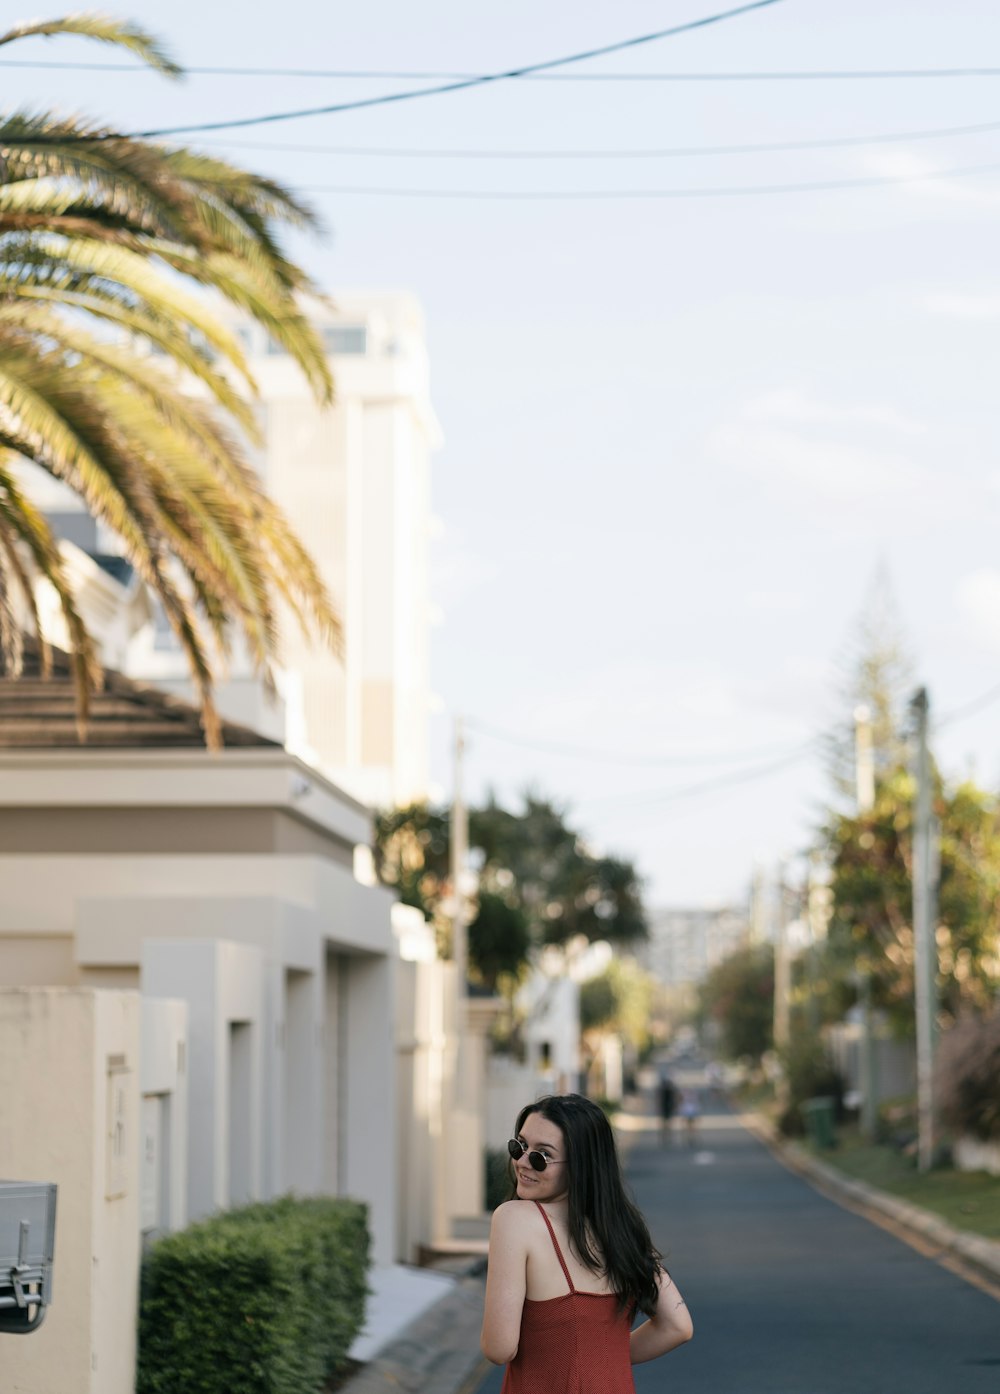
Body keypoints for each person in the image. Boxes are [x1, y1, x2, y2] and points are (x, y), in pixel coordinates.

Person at [481, 1094, 693, 1392]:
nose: (522, 1161)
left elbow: (498, 1348)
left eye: (542, 1156)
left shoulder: (514, 1220)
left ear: (580, 1164)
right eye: (519, 1145)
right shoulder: (622, 1228)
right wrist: (600, 1357)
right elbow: (678, 1326)